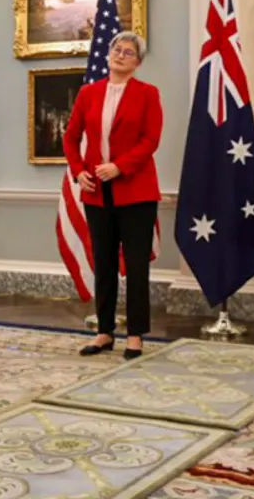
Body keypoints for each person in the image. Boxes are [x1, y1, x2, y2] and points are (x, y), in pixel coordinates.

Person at [63, 31, 162, 360]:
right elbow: (71, 137)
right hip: (96, 193)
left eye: (128, 52)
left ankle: (135, 335)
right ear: (108, 55)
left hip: (136, 192)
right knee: (103, 263)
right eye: (117, 50)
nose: (121, 55)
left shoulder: (148, 94)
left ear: (138, 62)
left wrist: (119, 167)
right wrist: (78, 171)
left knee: (135, 265)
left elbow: (150, 140)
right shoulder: (88, 93)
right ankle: (104, 331)